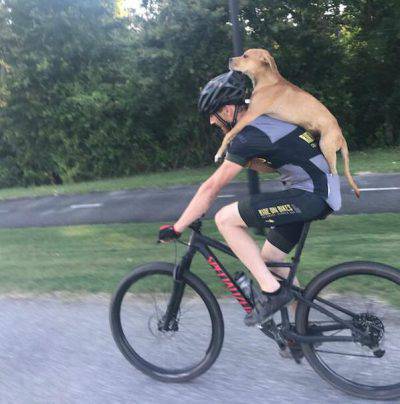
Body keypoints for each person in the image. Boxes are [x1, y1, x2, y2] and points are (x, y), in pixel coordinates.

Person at [158, 71, 341, 326]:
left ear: (230, 108)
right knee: (271, 262)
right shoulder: (263, 118)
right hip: (319, 191)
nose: (212, 121)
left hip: (310, 194)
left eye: (214, 112)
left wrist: (177, 227)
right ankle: (302, 330)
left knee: (225, 219)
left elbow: (211, 187)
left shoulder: (248, 135)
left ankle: (272, 293)